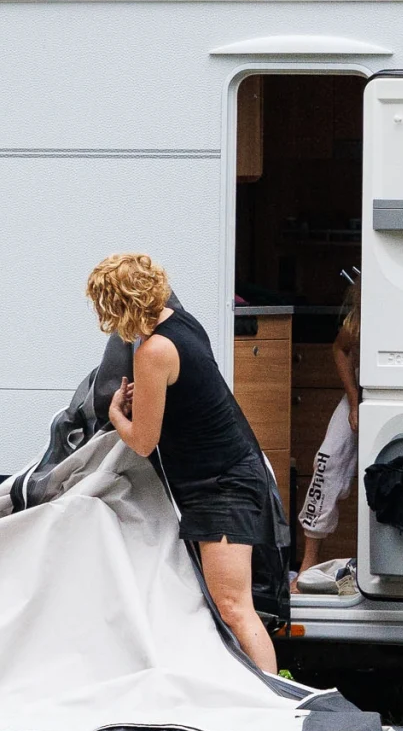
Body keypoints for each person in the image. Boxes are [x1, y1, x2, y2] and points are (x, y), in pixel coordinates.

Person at [87, 251, 289, 675]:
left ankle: (274, 701)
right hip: (225, 476)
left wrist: (117, 414)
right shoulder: (182, 324)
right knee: (226, 606)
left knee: (233, 606)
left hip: (223, 487)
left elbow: (144, 442)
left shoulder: (154, 351)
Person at [293, 304, 360, 590]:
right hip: (362, 391)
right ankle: (308, 564)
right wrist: (354, 401)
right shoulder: (364, 311)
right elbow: (340, 348)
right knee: (327, 461)